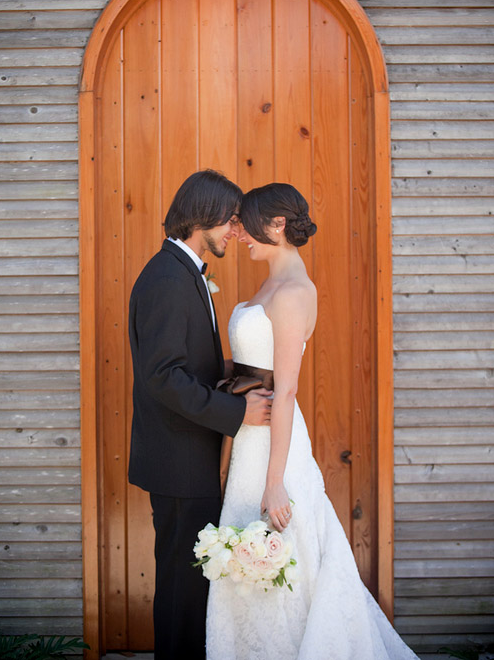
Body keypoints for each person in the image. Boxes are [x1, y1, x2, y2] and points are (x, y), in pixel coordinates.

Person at [206, 183, 419, 660]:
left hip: (274, 446)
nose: (238, 231)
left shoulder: (296, 292)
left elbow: (286, 392)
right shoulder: (270, 283)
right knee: (242, 556)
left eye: (246, 222)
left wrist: (275, 482)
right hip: (248, 439)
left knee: (278, 554)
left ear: (278, 225)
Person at [128, 170, 272, 660]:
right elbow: (163, 377)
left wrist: (237, 372)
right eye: (231, 220)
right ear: (204, 216)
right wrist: (238, 412)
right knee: (180, 592)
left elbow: (183, 363)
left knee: (189, 588)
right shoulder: (169, 278)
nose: (236, 230)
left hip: (187, 457)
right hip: (177, 460)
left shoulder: (185, 271)